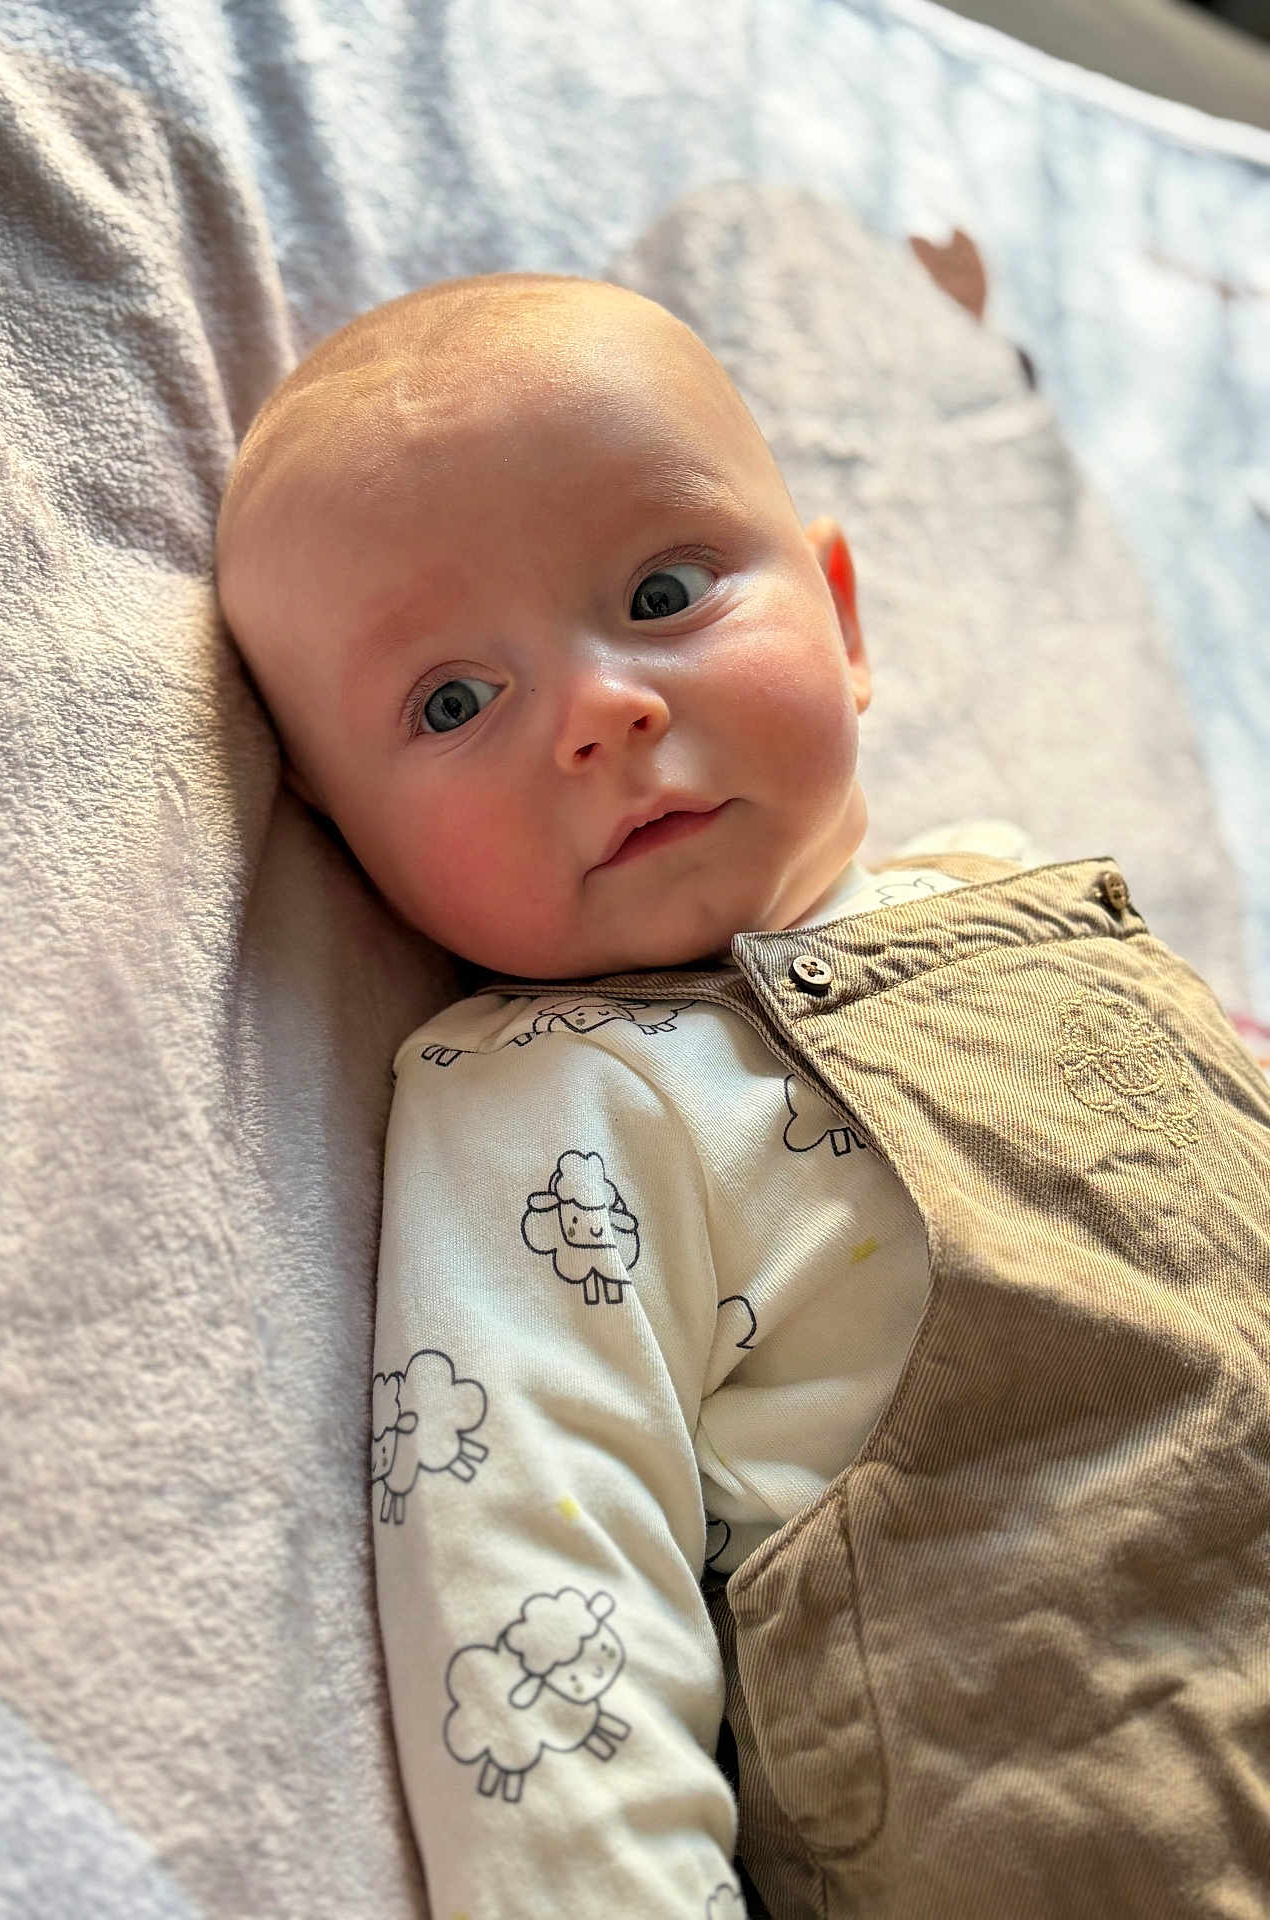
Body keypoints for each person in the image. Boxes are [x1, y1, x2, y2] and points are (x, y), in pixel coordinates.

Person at [215, 272, 1270, 1920]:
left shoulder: (1024, 890)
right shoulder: (549, 1099)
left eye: (660, 589)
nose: (602, 710)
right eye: (450, 700)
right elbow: (540, 1630)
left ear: (844, 628)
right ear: (353, 852)